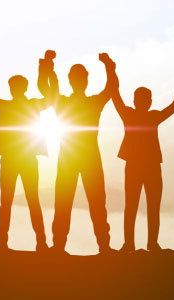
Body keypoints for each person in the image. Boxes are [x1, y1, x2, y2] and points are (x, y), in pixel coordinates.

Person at [0, 52, 56, 251]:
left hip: (13, 159)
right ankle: (39, 243)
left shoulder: (6, 106)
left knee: (9, 202)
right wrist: (46, 66)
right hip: (25, 159)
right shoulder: (32, 104)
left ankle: (5, 244)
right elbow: (51, 98)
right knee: (28, 200)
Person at [37, 52, 118, 255]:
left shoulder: (65, 103)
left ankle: (61, 246)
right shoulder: (92, 103)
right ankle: (102, 246)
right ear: (84, 81)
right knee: (92, 202)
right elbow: (111, 88)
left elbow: (45, 89)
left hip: (71, 157)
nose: (81, 81)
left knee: (73, 201)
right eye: (80, 78)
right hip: (84, 156)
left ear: (73, 81)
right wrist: (109, 66)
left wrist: (47, 66)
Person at [110, 70, 174, 253]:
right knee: (149, 207)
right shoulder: (150, 116)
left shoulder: (129, 114)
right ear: (147, 101)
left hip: (137, 166)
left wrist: (111, 70)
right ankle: (148, 244)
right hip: (150, 166)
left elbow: (115, 95)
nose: (145, 102)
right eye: (145, 99)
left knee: (133, 207)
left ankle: (133, 244)